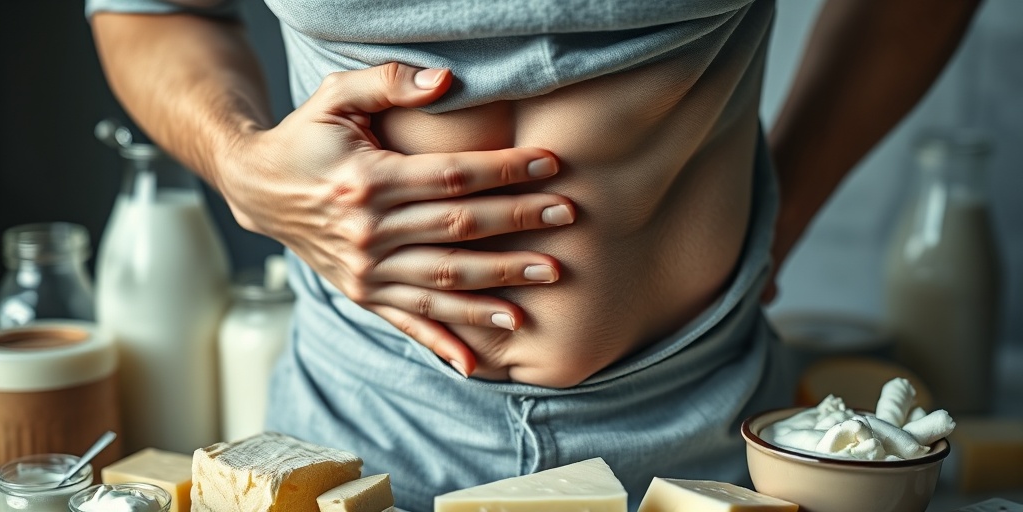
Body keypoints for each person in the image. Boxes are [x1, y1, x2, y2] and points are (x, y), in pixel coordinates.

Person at [85, 0, 979, 510]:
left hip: (704, 454)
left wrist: (790, 200)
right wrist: (238, 160)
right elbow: (150, 10)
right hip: (353, 447)